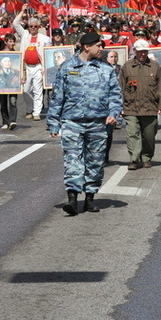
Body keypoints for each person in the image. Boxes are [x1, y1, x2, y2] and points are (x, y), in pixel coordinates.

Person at [47, 32, 122, 216]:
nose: (101, 49)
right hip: (72, 122)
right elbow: (58, 97)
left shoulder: (106, 69)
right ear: (87, 46)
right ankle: (72, 199)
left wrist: (113, 114)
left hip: (98, 123)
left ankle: (90, 198)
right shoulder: (67, 67)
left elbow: (115, 95)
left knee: (95, 162)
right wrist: (53, 123)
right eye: (98, 45)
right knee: (73, 161)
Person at [119, 39, 161, 169]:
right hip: (131, 107)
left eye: (145, 51)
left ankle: (146, 157)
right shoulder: (127, 67)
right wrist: (120, 106)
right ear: (135, 51)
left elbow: (159, 87)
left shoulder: (155, 66)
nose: (143, 54)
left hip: (149, 106)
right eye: (140, 52)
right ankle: (134, 159)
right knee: (132, 134)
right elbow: (121, 87)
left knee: (149, 135)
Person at [14, 12, 51, 120]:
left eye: (35, 26)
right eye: (31, 26)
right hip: (26, 68)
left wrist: (46, 68)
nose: (33, 28)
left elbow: (48, 54)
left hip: (38, 67)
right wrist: (22, 11)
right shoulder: (25, 34)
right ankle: (30, 109)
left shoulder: (45, 39)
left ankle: (36, 113)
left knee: (37, 90)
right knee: (25, 89)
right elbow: (15, 23)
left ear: (39, 27)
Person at [0, 33, 19, 130]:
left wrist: (23, 77)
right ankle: (5, 121)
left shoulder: (17, 54)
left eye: (13, 41)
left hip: (13, 83)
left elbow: (21, 67)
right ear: (6, 42)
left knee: (13, 101)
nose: (12, 43)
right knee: (3, 103)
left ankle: (12, 121)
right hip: (2, 82)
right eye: (10, 41)